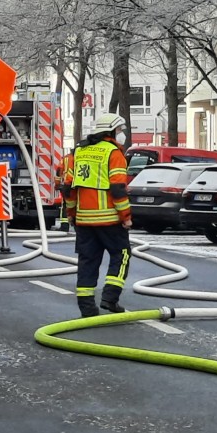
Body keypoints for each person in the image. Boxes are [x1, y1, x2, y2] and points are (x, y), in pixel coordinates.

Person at [63, 113, 133, 317]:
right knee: (122, 255)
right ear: (110, 131)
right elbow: (118, 188)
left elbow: (69, 187)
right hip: (109, 219)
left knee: (87, 261)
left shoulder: (79, 151)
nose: (122, 134)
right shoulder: (113, 153)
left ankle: (87, 308)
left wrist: (71, 213)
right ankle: (110, 299)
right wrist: (126, 216)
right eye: (120, 130)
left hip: (84, 219)